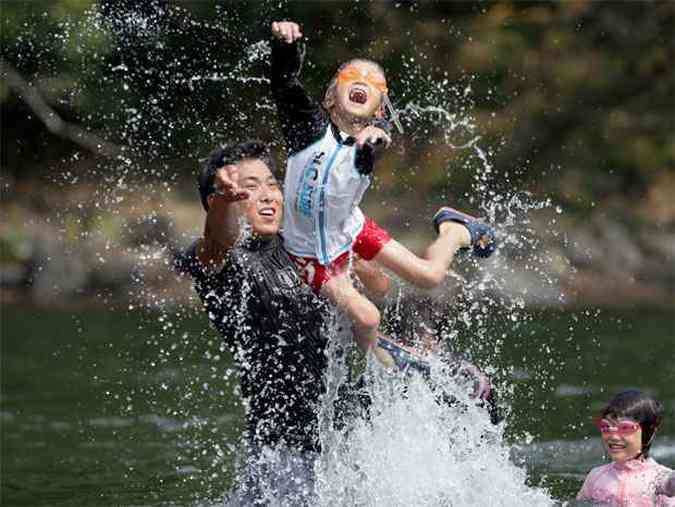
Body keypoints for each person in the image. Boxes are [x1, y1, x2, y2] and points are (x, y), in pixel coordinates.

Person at [270, 20, 497, 368]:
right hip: (308, 249)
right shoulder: (307, 129)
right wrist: (285, 47)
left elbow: (377, 142)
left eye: (374, 81)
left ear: (379, 108)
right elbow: (284, 83)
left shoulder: (373, 140)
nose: (363, 79)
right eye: (352, 76)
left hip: (349, 228)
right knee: (371, 310)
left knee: (429, 277)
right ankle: (383, 355)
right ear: (330, 97)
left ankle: (453, 230)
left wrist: (375, 138)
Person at [174, 140, 333, 503]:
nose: (266, 196)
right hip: (281, 456)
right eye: (249, 187)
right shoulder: (221, 265)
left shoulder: (306, 249)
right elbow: (219, 241)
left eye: (272, 184)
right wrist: (226, 201)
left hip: (337, 439)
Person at [577, 390, 675, 506]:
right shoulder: (595, 477)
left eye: (625, 428)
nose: (614, 437)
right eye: (606, 427)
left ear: (649, 432)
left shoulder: (659, 478)